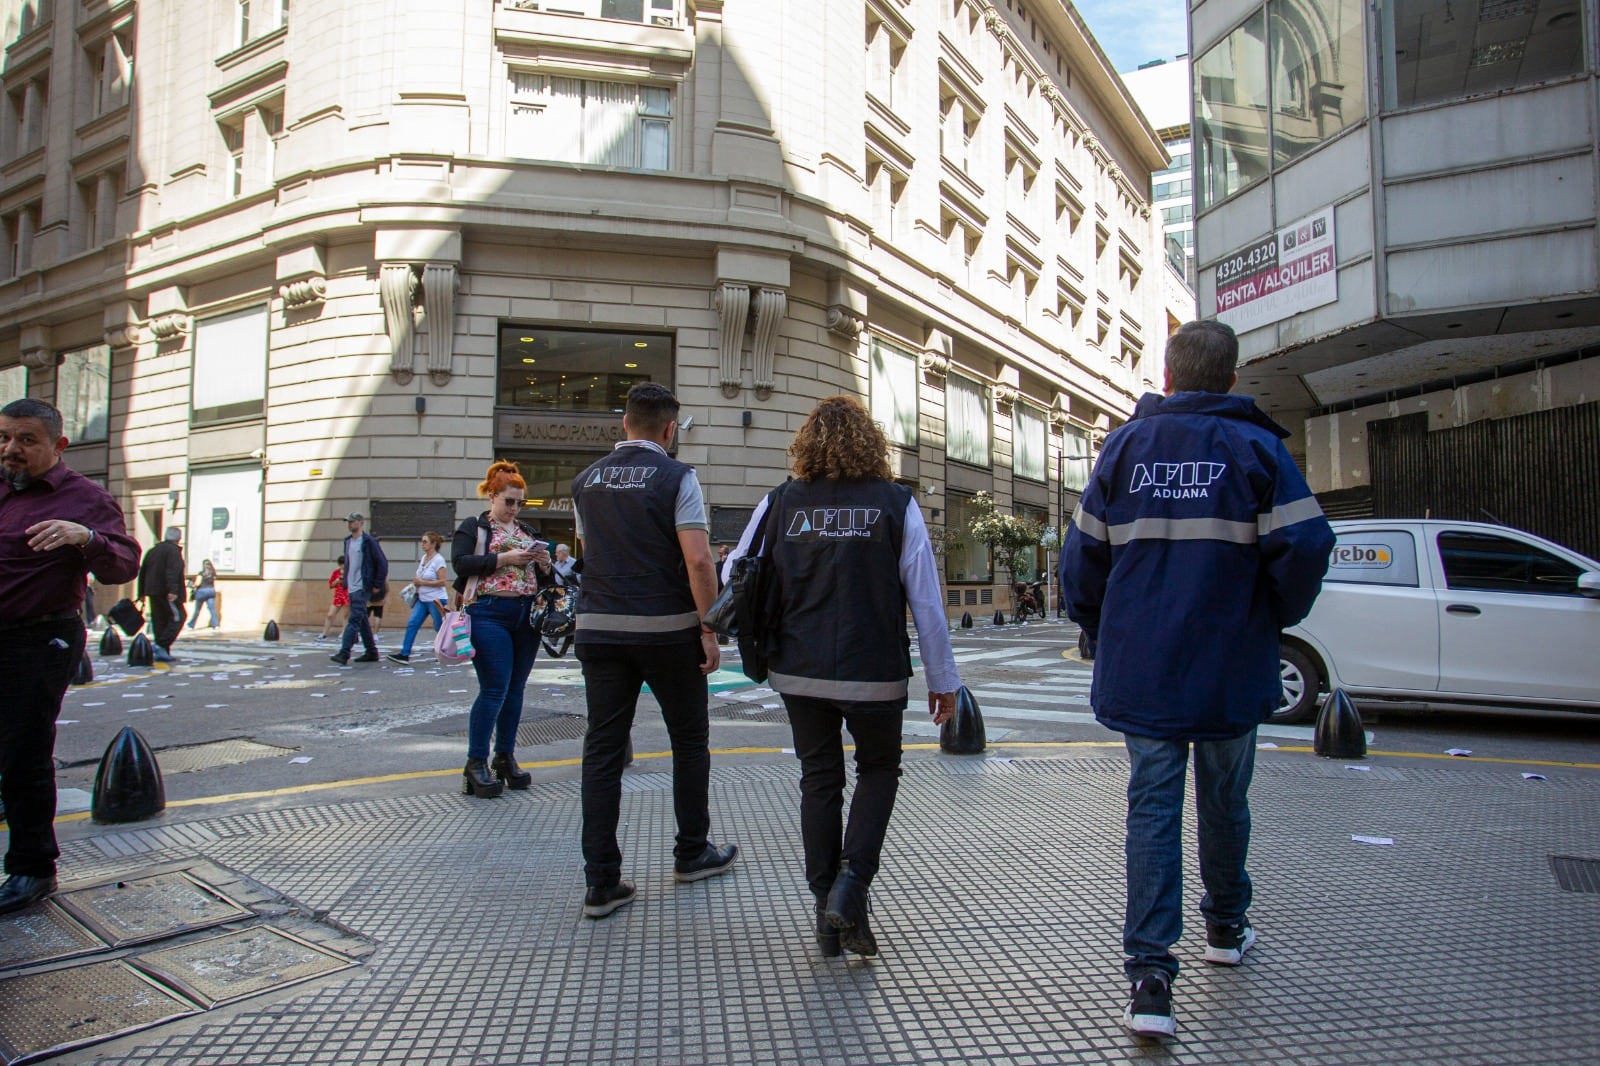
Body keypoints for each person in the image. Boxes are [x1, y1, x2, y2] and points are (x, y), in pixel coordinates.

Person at [1059, 320, 1335, 1038]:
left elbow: (1079, 563)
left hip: (1144, 666)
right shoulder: (1257, 449)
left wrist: (1102, 624)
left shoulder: (1124, 448)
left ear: (1168, 375)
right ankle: (1224, 926)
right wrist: (1271, 612)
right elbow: (1307, 545)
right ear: (1233, 379)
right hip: (1228, 660)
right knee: (1224, 797)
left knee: (1151, 808)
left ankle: (1150, 978)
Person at [723, 395, 959, 958]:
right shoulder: (895, 503)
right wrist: (943, 678)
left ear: (806, 444)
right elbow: (925, 600)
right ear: (870, 443)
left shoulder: (781, 501)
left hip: (799, 669)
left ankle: (828, 911)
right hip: (873, 668)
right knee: (879, 770)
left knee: (819, 778)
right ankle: (853, 885)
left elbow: (737, 572)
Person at [572, 382, 738, 920]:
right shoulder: (677, 476)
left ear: (625, 424)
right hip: (667, 632)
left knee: (603, 750)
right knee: (689, 741)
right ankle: (692, 852)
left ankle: (601, 882)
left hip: (599, 628)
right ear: (670, 430)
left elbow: (589, 554)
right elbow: (698, 562)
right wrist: (709, 629)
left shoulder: (585, 482)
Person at [0, 398, 140, 915]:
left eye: (27, 440)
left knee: (23, 754)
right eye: (5, 438)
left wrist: (88, 538)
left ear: (58, 445)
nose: (12, 449)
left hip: (38, 640)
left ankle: (32, 868)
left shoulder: (84, 498)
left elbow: (123, 564)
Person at [451, 461, 559, 797]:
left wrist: (544, 565)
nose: (514, 509)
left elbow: (545, 581)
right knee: (494, 689)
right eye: (509, 501)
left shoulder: (527, 531)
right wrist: (503, 559)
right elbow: (461, 563)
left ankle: (504, 757)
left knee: (515, 690)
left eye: (520, 503)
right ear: (492, 497)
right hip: (488, 612)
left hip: (525, 614)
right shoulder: (476, 527)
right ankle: (475, 762)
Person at [331, 513, 388, 665]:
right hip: (351, 586)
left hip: (363, 586)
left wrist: (377, 584)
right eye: (348, 522)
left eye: (353, 521)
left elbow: (382, 563)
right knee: (362, 619)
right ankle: (371, 652)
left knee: (354, 619)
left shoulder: (369, 541)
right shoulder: (348, 541)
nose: (350, 524)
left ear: (361, 523)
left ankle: (344, 653)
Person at [387, 532, 450, 664]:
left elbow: (442, 581)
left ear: (433, 544)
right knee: (413, 623)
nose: (422, 544)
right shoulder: (423, 558)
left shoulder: (439, 560)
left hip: (436, 600)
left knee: (439, 627)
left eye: (425, 542)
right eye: (422, 541)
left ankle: (447, 652)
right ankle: (405, 653)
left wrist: (423, 582)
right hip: (422, 599)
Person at [137, 527, 187, 662]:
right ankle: (160, 645)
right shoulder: (173, 551)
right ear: (178, 539)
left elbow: (143, 571)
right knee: (178, 618)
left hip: (152, 591)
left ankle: (162, 651)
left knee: (159, 620)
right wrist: (173, 591)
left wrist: (141, 592)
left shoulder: (153, 550)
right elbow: (172, 571)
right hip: (166, 592)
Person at [319, 556, 349, 640]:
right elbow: (331, 585)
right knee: (330, 615)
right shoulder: (336, 572)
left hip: (347, 596)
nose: (342, 566)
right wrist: (337, 580)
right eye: (341, 564)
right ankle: (324, 633)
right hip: (338, 596)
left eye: (344, 564)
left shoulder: (350, 572)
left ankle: (344, 633)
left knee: (346, 615)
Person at [187, 558, 220, 630]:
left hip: (202, 591)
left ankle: (191, 625)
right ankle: (216, 624)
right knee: (212, 609)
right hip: (211, 591)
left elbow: (197, 583)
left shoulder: (201, 573)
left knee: (197, 610)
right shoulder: (213, 574)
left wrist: (192, 585)